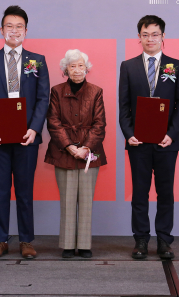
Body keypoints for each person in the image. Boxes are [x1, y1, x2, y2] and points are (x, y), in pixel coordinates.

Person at [0, 5, 50, 259]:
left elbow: (42, 99)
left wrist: (34, 128)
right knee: (0, 189)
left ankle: (26, 241)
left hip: (27, 136)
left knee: (25, 189)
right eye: (9, 26)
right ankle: (1, 239)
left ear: (26, 31)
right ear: (1, 30)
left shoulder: (37, 60)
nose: (14, 30)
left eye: (19, 26)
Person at [118, 15, 179, 259]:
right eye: (145, 34)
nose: (150, 39)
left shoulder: (176, 66)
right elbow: (123, 106)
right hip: (138, 142)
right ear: (139, 37)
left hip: (166, 142)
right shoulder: (128, 66)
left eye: (155, 34)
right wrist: (129, 134)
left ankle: (164, 241)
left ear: (163, 36)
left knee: (165, 192)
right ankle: (140, 240)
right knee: (139, 193)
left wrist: (171, 134)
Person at [44, 49, 107, 259]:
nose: (77, 70)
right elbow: (53, 122)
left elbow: (100, 124)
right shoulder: (56, 91)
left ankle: (85, 245)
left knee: (86, 200)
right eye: (72, 66)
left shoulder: (96, 91)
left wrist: (86, 147)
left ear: (87, 68)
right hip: (63, 152)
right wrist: (70, 146)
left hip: (90, 152)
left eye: (81, 66)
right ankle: (68, 245)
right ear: (65, 70)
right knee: (68, 200)